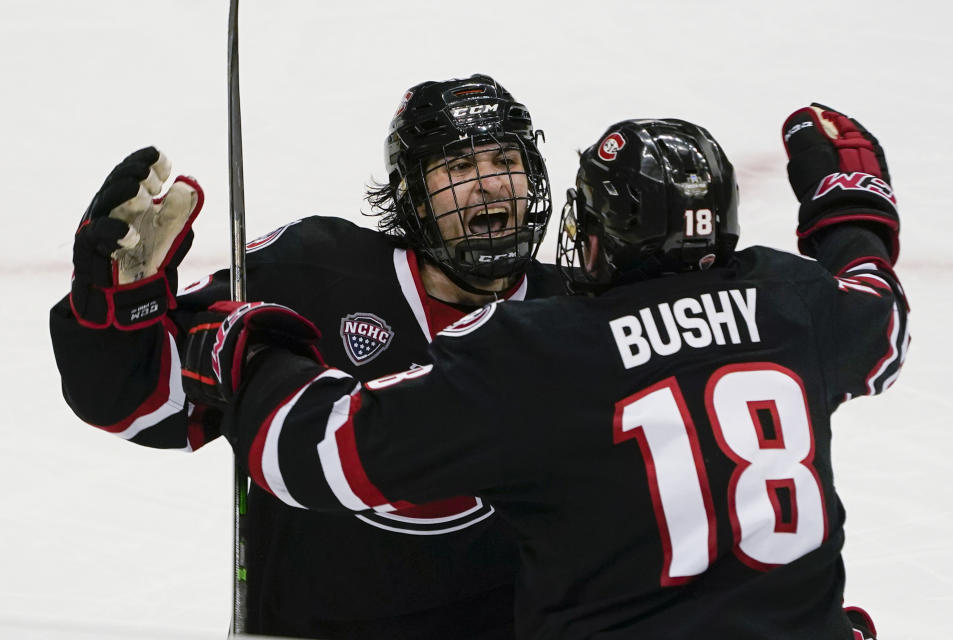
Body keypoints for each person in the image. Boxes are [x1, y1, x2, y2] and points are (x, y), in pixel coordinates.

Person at [194, 106, 906, 639]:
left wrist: (249, 348)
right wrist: (848, 202)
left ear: (598, 237)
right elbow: (883, 317)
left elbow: (319, 454)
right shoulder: (793, 303)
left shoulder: (543, 350)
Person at [50, 74, 567, 639]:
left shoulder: (578, 309)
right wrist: (118, 310)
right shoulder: (308, 274)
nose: (489, 184)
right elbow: (137, 402)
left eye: (503, 160)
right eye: (460, 169)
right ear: (413, 194)